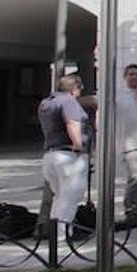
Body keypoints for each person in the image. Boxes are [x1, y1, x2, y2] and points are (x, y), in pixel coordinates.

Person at [37, 75, 89, 229]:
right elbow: (72, 122)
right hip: (69, 155)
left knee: (59, 196)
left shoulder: (46, 103)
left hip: (51, 154)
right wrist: (78, 144)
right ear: (75, 89)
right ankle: (62, 236)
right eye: (79, 89)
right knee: (70, 197)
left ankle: (54, 233)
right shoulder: (69, 101)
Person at [115, 63, 137, 227]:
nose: (134, 77)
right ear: (125, 77)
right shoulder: (119, 97)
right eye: (131, 74)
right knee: (136, 176)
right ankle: (132, 210)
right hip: (130, 144)